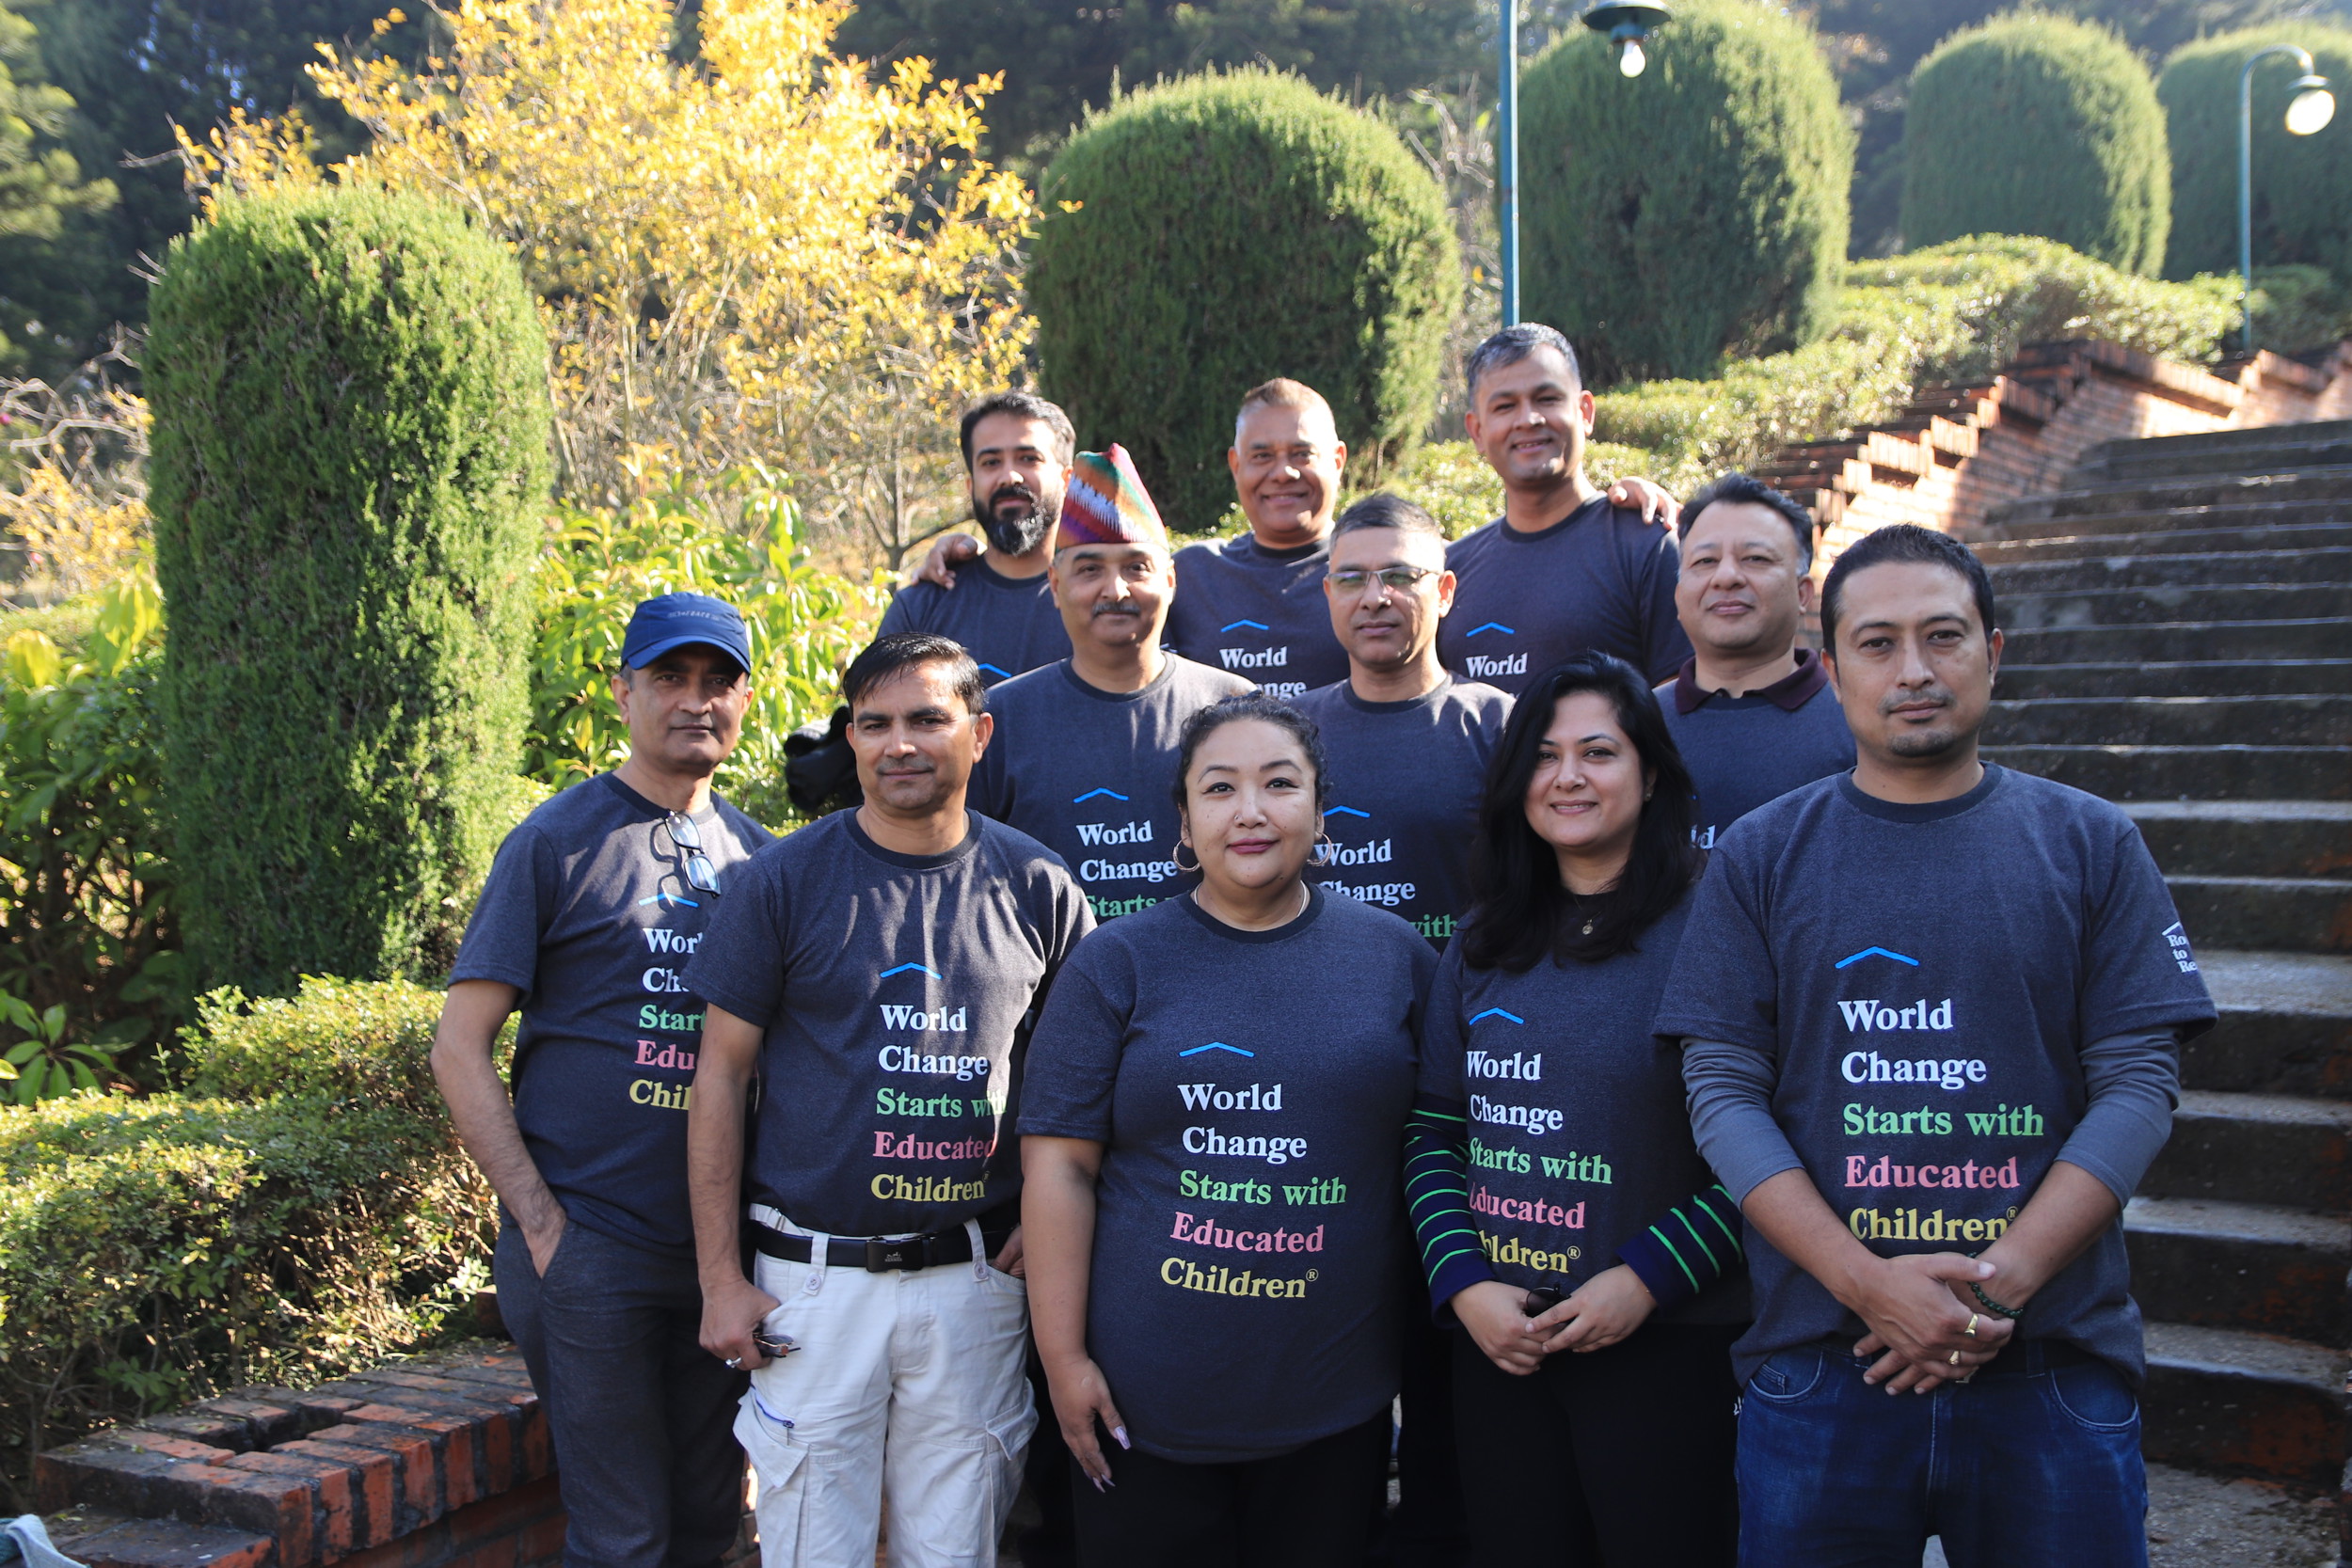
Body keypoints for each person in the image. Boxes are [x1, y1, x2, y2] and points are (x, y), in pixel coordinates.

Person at [1659, 524, 2217, 1568]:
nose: (1912, 670)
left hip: (2049, 1361)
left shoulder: (2090, 841)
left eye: (1943, 636)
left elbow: (2140, 1082)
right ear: (1831, 670)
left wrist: (1997, 1283)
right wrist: (1867, 1282)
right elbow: (1721, 1091)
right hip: (1824, 1366)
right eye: (1876, 643)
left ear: (1993, 652)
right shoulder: (1762, 855)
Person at [683, 633, 1093, 1568]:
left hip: (978, 1283)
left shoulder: (1039, 886)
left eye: (925, 718)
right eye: (874, 723)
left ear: (979, 733)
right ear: (853, 739)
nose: (898, 743)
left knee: (955, 1553)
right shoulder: (781, 881)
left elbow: (1074, 1084)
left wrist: (1052, 1214)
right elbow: (720, 1077)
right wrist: (719, 1274)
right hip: (811, 1287)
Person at [1020, 693, 1438, 1568]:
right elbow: (1059, 1169)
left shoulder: (1397, 957)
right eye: (1219, 788)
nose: (1250, 811)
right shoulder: (1118, 960)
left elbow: (1438, 1146)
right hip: (1142, 1407)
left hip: (1335, 1401)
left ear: (1322, 812)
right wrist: (1062, 1359)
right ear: (1183, 819)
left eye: (1279, 784)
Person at [433, 593, 772, 1568]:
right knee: (623, 1536)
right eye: (669, 677)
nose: (694, 700)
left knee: (713, 1526)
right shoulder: (558, 840)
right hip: (594, 1250)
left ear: (745, 699)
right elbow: (460, 1046)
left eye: (718, 681)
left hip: (719, 1256)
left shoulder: (760, 857)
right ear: (624, 692)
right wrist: (543, 1226)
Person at [1402, 653, 1745, 1566]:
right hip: (1501, 1342)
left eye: (1597, 751)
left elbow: (1771, 1146)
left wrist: (1644, 1278)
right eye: (1544, 755)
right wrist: (1464, 1283)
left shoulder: (1720, 918)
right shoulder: (1483, 939)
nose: (1567, 776)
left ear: (1651, 771)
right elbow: (1436, 1136)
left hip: (1669, 1339)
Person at [917, 379, 1678, 700]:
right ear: (1234, 467)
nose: (1283, 474)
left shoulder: (1402, 567)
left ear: (1339, 461)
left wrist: (1612, 500)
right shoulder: (1188, 574)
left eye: (1303, 454)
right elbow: (1098, 613)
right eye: (1262, 456)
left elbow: (1525, 556)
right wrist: (982, 562)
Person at [970, 445, 1251, 922]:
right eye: (1090, 569)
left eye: (1136, 568)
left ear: (1169, 578)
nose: (1115, 590)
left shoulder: (1237, 709)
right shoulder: (999, 723)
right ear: (1056, 586)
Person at [1293, 492, 1511, 949]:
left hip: (1460, 1005)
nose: (1375, 599)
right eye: (1352, 579)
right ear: (1329, 593)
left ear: (1445, 592)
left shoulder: (1498, 725)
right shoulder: (1288, 730)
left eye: (1400, 576)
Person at [1438, 325, 1692, 694]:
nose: (1529, 419)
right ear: (1476, 431)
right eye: (1505, 406)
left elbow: (1681, 709)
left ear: (1585, 411)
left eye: (1547, 399)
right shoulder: (1452, 569)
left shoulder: (1647, 545)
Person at [1659, 472, 1854, 847]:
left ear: (1803, 593)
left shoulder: (1857, 722)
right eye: (1705, 561)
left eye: (1755, 558)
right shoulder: (1635, 724)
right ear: (1678, 594)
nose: (1727, 577)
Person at [877, 392, 1075, 686]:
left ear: (1066, 478)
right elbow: (877, 722)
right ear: (971, 485)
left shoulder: (1108, 597)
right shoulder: (921, 609)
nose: (1009, 476)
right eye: (991, 462)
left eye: (1028, 458)